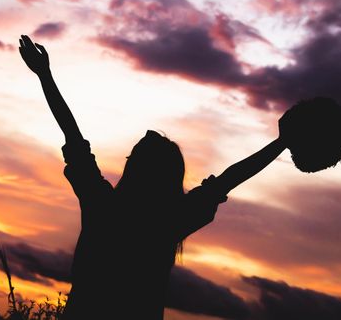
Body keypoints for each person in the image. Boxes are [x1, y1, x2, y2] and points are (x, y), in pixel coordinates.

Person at [19, 35, 288, 320]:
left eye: (133, 156)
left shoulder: (103, 205)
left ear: (134, 168)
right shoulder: (171, 221)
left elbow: (72, 134)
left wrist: (44, 75)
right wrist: (281, 143)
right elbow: (230, 178)